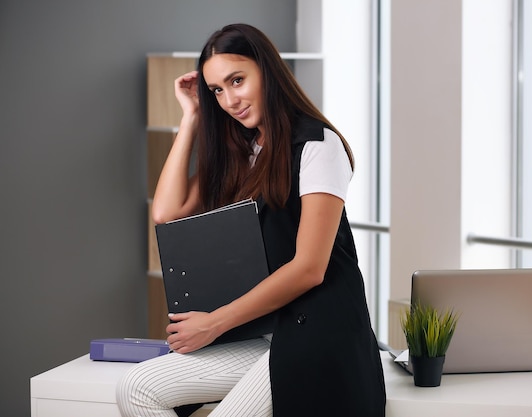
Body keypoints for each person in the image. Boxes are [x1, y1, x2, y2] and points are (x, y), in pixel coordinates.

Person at [116, 23, 386, 417]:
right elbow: (166, 212)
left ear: (267, 70)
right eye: (217, 91)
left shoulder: (317, 145)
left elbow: (309, 268)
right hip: (264, 331)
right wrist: (191, 116)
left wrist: (214, 324)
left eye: (237, 80)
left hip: (318, 332)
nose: (229, 100)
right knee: (136, 388)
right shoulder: (244, 150)